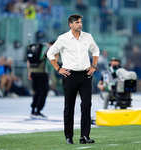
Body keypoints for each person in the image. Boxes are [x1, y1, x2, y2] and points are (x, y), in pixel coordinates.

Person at [47, 14, 100, 144]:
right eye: (77, 22)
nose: (80, 24)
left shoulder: (87, 36)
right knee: (69, 107)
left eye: (80, 22)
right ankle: (69, 137)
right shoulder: (63, 38)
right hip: (69, 75)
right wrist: (58, 69)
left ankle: (84, 136)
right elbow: (50, 53)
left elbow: (96, 51)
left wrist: (93, 66)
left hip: (85, 75)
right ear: (70, 24)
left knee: (86, 105)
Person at [27, 43, 50, 118]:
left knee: (36, 91)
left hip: (33, 71)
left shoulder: (34, 47)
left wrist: (29, 71)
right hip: (42, 72)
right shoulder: (47, 48)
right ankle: (38, 110)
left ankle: (33, 109)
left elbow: (28, 61)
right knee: (43, 91)